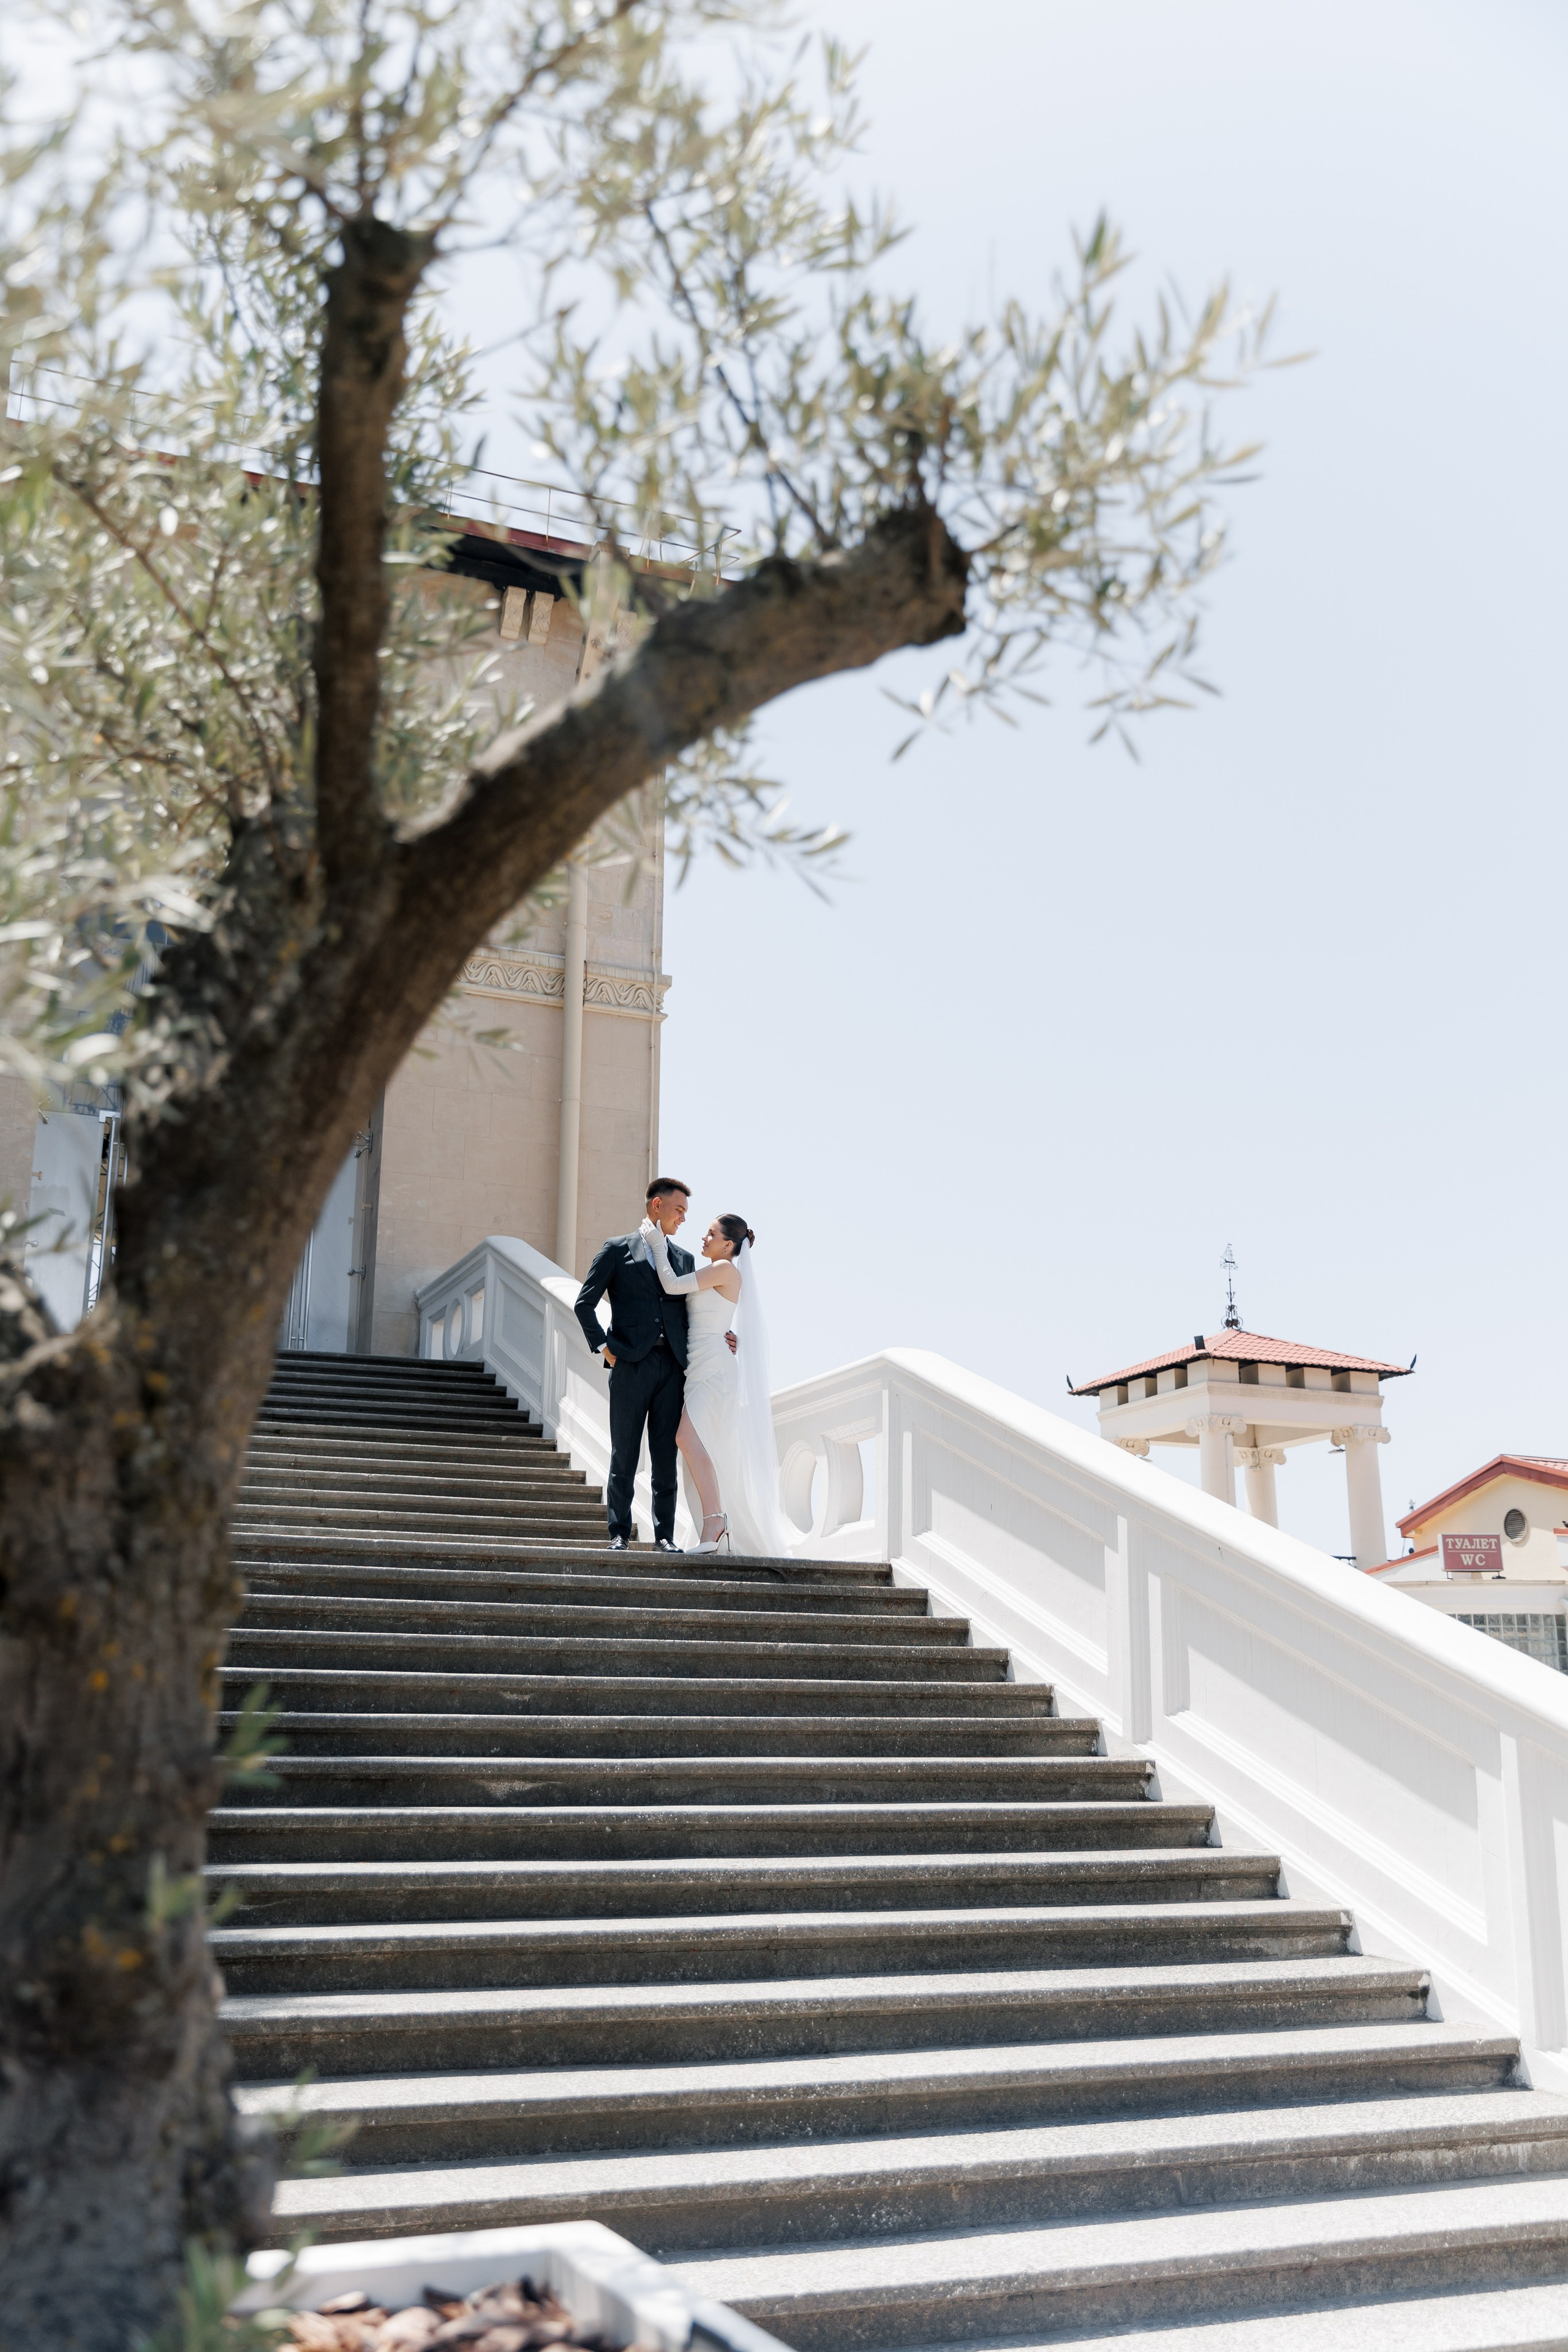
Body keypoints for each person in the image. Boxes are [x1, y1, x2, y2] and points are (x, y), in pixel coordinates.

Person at [642, 1210, 794, 1557]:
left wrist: (656, 1242)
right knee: (706, 1447)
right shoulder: (715, 1270)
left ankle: (715, 1522)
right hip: (699, 1366)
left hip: (714, 1369)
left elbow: (672, 1285)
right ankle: (715, 1524)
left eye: (711, 1234)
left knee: (686, 1438)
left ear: (728, 1245)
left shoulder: (725, 1269)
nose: (704, 1238)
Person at [573, 1177, 696, 1552]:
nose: (683, 1219)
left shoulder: (684, 1259)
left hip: (671, 1368)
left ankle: (665, 1537)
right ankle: (619, 1533)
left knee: (665, 1456)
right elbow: (584, 1304)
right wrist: (605, 1348)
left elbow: (693, 1316)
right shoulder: (617, 1250)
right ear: (657, 1205)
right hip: (629, 1365)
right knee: (623, 1452)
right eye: (679, 1210)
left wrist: (725, 1336)